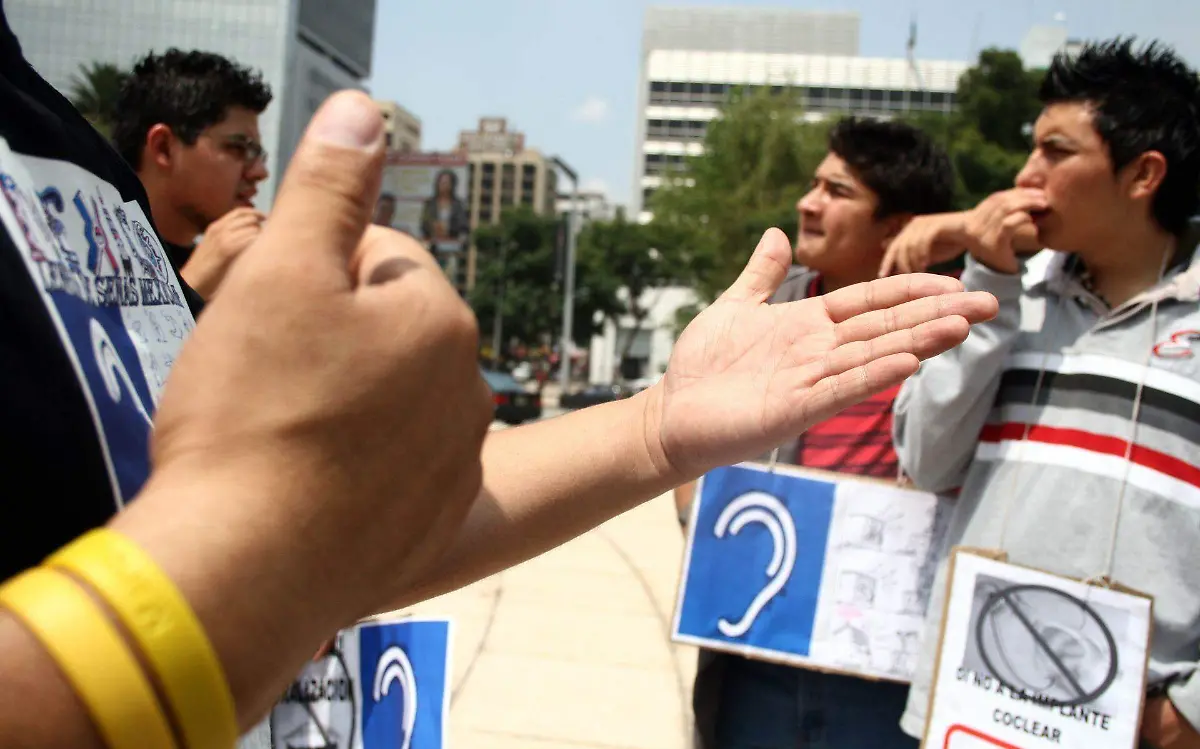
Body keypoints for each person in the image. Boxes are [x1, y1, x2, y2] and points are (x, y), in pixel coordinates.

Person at [0, 6, 1000, 745]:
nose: (257, 171)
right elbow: (261, 540)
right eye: (236, 149)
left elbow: (320, 534)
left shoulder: (55, 138)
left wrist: (655, 426)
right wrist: (245, 574)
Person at [884, 38, 1200, 747]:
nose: (1025, 176)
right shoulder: (1007, 293)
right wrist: (988, 286)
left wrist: (1187, 712)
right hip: (971, 712)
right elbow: (927, 462)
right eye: (1032, 148)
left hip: (1133, 727)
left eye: (1056, 152)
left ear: (1144, 174)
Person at [677, 116, 958, 749]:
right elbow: (692, 434)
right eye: (814, 184)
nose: (808, 202)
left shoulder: (952, 328)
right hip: (758, 654)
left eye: (838, 191)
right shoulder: (764, 312)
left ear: (896, 226)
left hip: (883, 673)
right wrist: (700, 514)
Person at [112, 48, 271, 299]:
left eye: (258, 154)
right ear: (164, 148)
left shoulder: (235, 276)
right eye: (238, 148)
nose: (260, 173)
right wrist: (195, 284)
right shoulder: (86, 252)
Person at [419, 168, 469, 252]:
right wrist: (433, 227)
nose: (443, 185)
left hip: (452, 245)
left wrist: (447, 228)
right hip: (432, 245)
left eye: (446, 183)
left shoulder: (457, 205)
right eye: (441, 182)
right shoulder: (430, 203)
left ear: (452, 185)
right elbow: (424, 224)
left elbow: (463, 226)